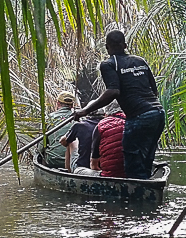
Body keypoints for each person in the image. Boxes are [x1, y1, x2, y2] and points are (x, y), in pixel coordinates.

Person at [71, 29, 165, 179]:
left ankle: (133, 195)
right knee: (146, 156)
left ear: (107, 48)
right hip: (158, 114)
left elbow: (113, 92)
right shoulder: (140, 61)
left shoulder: (109, 64)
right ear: (125, 45)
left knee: (131, 159)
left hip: (139, 116)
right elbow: (154, 91)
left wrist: (85, 111)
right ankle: (146, 186)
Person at [90, 108, 126, 177]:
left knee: (78, 170)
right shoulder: (132, 122)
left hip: (108, 175)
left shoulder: (101, 126)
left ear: (105, 113)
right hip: (132, 175)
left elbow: (94, 165)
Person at [44, 91, 76, 167]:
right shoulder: (79, 119)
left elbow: (42, 144)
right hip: (74, 162)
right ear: (72, 105)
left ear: (58, 103)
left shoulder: (48, 118)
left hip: (53, 160)